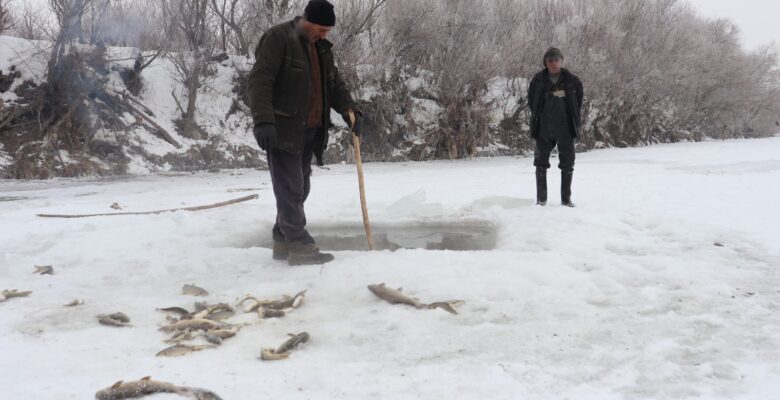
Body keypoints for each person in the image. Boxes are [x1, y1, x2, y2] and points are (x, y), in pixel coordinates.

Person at [246, 0, 363, 266]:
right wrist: (263, 121)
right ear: (306, 20)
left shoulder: (321, 48)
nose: (324, 35)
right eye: (321, 29)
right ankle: (299, 245)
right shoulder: (278, 38)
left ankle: (282, 238)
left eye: (327, 31)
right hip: (283, 129)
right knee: (290, 188)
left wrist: (349, 111)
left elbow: (334, 84)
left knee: (301, 187)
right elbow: (259, 80)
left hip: (310, 131)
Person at [527, 47, 583, 207]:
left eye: (556, 59)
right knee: (540, 162)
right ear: (545, 62)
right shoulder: (537, 80)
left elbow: (577, 103)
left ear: (561, 61)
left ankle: (566, 199)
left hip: (566, 127)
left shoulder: (573, 80)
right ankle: (541, 199)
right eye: (550, 60)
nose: (553, 63)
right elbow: (532, 102)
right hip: (544, 126)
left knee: (568, 163)